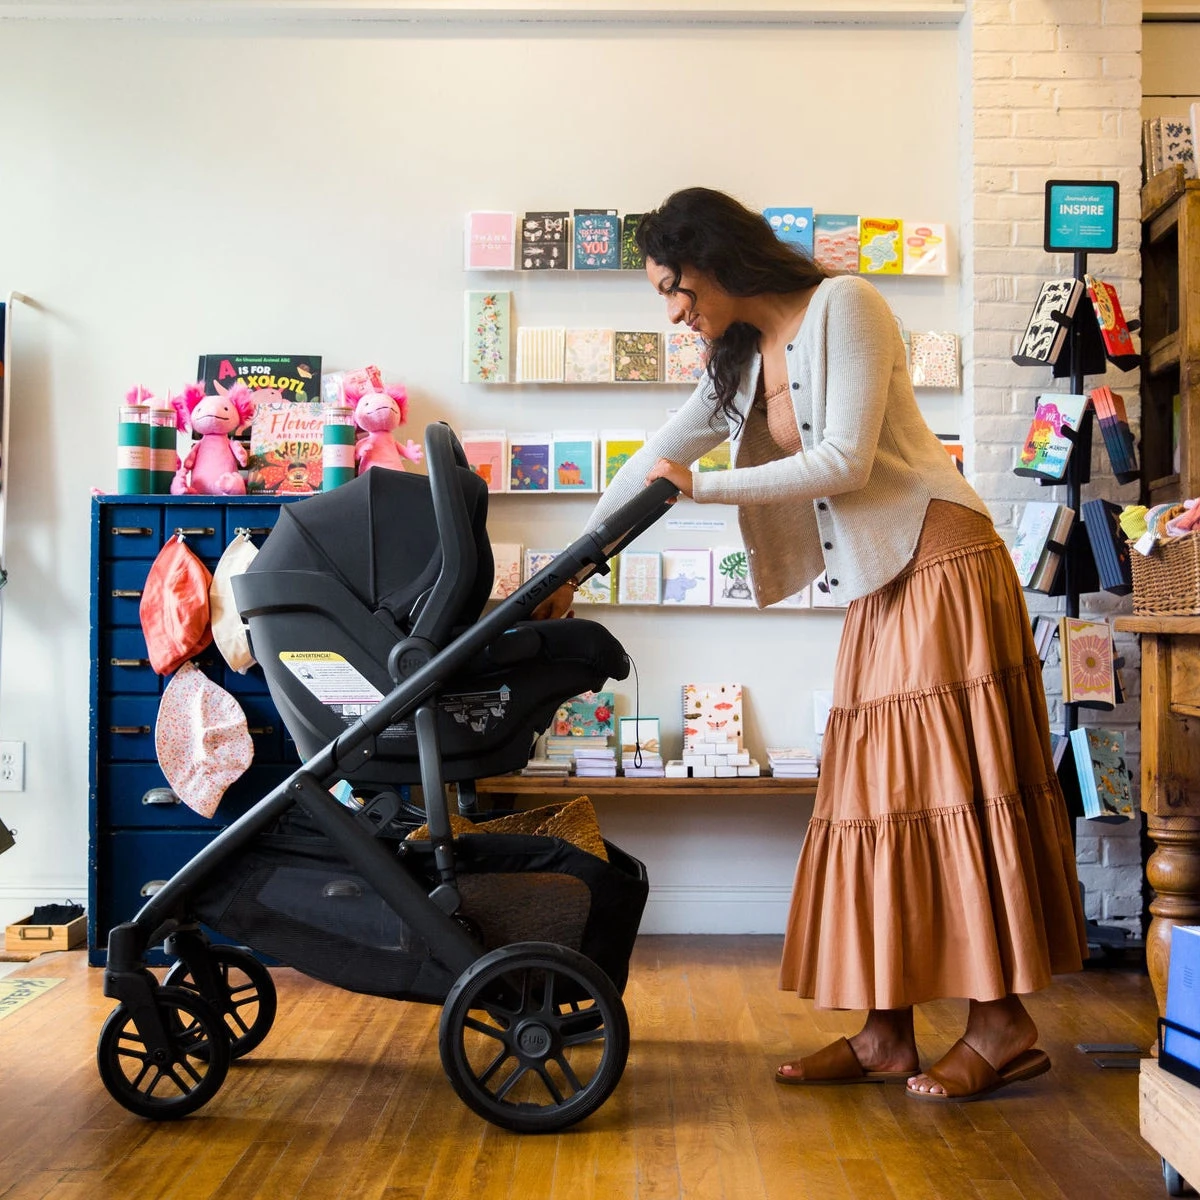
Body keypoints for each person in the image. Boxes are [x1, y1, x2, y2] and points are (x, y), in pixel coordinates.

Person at [533, 186, 1088, 1101]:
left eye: (674, 288)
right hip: (881, 580)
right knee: (876, 797)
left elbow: (845, 461)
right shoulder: (741, 358)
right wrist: (571, 567)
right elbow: (654, 457)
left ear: (713, 260)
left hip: (941, 560)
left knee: (949, 786)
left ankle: (1001, 1022)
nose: (673, 312)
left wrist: (704, 490)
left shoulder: (846, 306)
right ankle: (885, 1033)